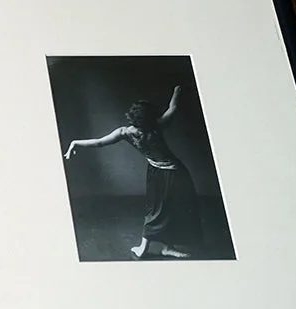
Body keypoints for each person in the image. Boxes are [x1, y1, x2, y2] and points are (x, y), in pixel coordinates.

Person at [62, 85, 200, 259]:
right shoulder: (157, 126)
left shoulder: (126, 132)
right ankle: (146, 247)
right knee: (162, 210)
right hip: (169, 172)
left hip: (162, 173)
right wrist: (177, 92)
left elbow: (98, 142)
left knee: (165, 210)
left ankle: (166, 247)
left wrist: (75, 143)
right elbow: (173, 108)